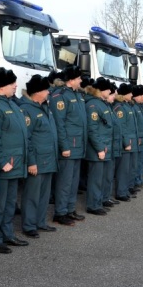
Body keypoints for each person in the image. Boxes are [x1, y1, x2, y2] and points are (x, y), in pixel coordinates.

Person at [0, 67, 30, 254]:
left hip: (16, 163)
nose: (16, 86)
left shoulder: (12, 104)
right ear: (2, 86)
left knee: (10, 202)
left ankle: (7, 233)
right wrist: (2, 161)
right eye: (12, 83)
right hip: (6, 164)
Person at [19, 75, 58, 238]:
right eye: (45, 90)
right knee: (32, 195)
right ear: (37, 92)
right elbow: (26, 139)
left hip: (48, 159)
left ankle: (40, 222)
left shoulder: (44, 107)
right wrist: (31, 162)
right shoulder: (27, 109)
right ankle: (29, 225)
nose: (48, 92)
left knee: (43, 194)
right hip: (37, 160)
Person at [50, 66, 87, 225]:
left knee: (73, 180)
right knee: (64, 181)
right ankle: (60, 212)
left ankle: (70, 209)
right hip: (69, 146)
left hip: (78, 145)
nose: (81, 81)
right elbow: (60, 124)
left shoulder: (77, 95)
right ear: (72, 79)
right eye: (79, 78)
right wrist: (64, 146)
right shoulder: (60, 96)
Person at [84, 78, 114, 216]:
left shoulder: (103, 104)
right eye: (108, 89)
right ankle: (93, 205)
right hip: (98, 148)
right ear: (102, 91)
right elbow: (92, 129)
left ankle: (99, 201)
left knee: (102, 177)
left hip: (105, 146)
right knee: (96, 178)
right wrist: (99, 148)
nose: (110, 91)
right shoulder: (94, 105)